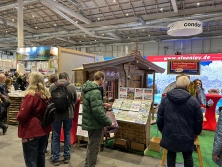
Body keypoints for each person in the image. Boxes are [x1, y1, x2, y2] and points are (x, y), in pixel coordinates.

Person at [157, 75, 203, 167]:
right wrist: (196, 133)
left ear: (176, 85)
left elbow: (160, 116)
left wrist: (161, 129)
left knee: (171, 155)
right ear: (187, 86)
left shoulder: (166, 99)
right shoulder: (193, 101)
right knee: (188, 156)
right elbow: (199, 119)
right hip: (187, 134)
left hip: (169, 133)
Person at [16, 72, 51, 167]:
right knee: (40, 156)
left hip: (32, 131)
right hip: (44, 129)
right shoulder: (46, 95)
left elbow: (21, 116)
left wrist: (18, 115)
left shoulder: (31, 96)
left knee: (31, 160)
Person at [82, 71, 114, 167]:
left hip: (90, 121)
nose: (104, 82)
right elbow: (98, 112)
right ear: (101, 79)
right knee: (94, 146)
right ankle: (90, 165)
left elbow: (93, 105)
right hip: (94, 123)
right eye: (103, 80)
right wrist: (109, 122)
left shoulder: (89, 88)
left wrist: (102, 104)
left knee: (91, 144)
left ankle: (87, 164)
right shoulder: (95, 91)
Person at [49, 72, 77, 166]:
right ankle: (66, 156)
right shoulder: (72, 86)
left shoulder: (52, 86)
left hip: (56, 114)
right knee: (67, 134)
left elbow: (50, 100)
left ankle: (55, 158)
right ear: (67, 78)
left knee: (56, 135)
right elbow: (75, 100)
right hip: (68, 114)